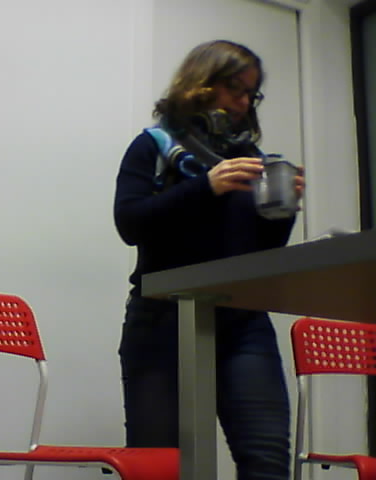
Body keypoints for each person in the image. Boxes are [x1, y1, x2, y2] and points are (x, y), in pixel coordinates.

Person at [113, 39, 305, 480]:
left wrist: (283, 211)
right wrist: (205, 187)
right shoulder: (154, 146)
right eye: (235, 89)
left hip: (242, 324)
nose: (244, 102)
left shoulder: (251, 160)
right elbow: (130, 223)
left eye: (251, 94)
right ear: (202, 83)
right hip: (162, 321)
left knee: (267, 462)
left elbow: (259, 256)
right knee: (161, 467)